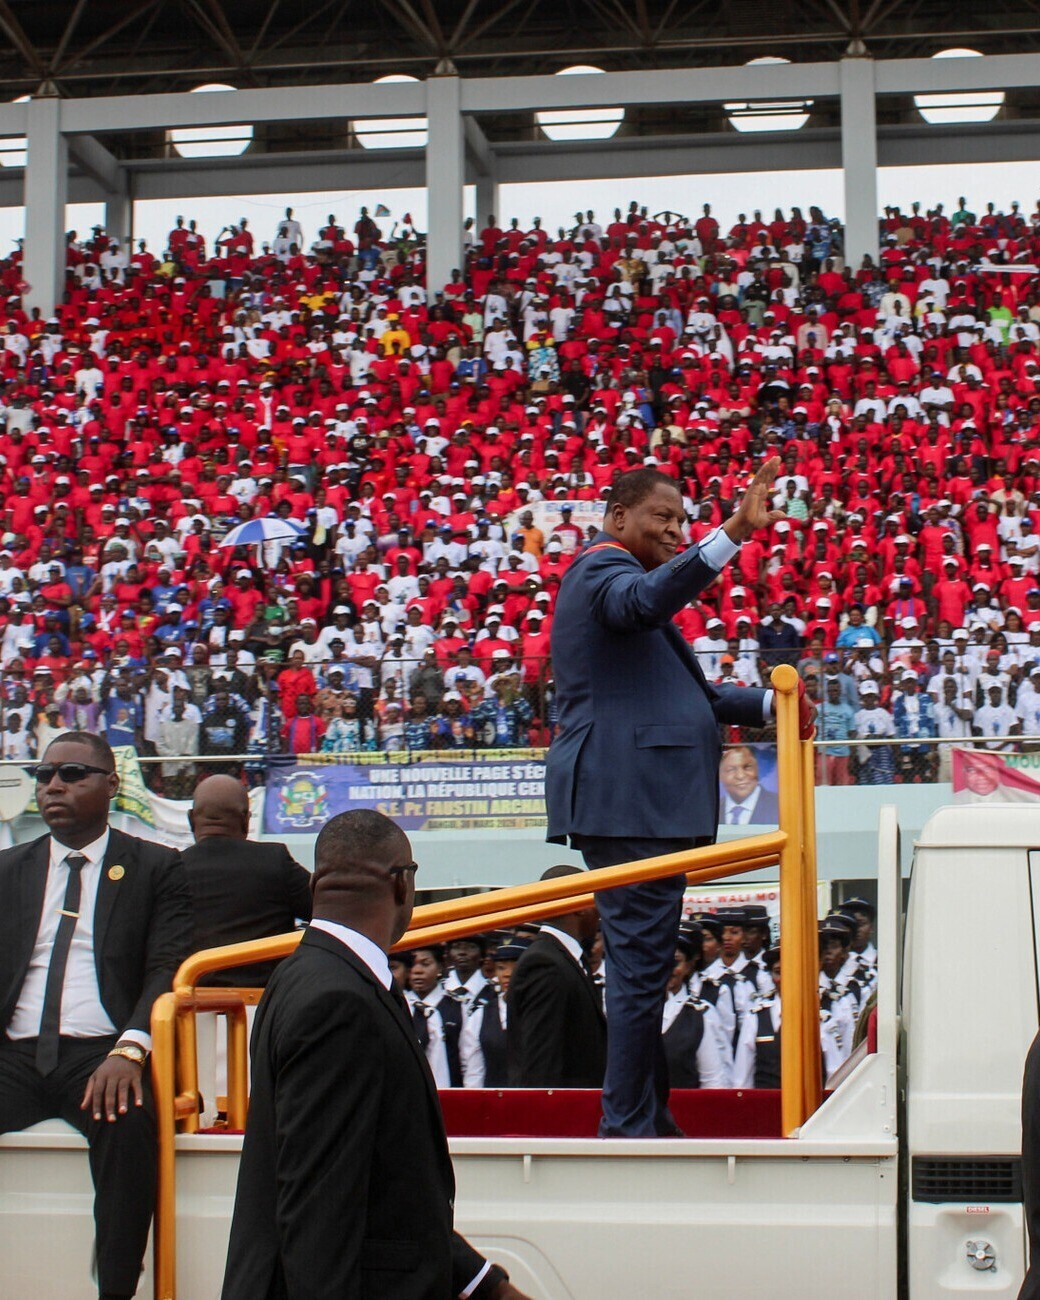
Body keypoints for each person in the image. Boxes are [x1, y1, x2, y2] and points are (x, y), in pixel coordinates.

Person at [545, 460, 814, 1137]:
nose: (673, 529)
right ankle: (628, 1125)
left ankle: (646, 1118)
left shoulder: (632, 594)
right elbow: (644, 602)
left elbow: (695, 698)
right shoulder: (599, 572)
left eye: (680, 521)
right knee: (638, 968)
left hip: (644, 801)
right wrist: (730, 533)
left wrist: (774, 703)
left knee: (642, 965)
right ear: (617, 519)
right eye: (661, 517)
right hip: (630, 798)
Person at [221, 809, 526, 1300]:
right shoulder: (339, 1001)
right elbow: (320, 1210)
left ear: (317, 882)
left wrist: (480, 1284)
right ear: (402, 884)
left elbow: (390, 1187)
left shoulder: (306, 976)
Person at [0, 731, 192, 1300]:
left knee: (131, 1124)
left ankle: (116, 1290)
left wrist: (130, 1051)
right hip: (13, 1052)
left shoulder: (158, 868)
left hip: (101, 1054)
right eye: (43, 774)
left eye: (71, 774)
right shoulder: (8, 869)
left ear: (111, 784)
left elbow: (166, 968)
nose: (52, 785)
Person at [181, 774, 312, 986]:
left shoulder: (172, 869)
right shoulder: (274, 861)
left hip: (190, 1005)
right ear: (245, 820)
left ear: (190, 819)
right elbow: (329, 912)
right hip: (266, 1006)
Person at [507, 865, 606, 1088]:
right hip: (559, 1114)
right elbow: (541, 1059)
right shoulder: (546, 964)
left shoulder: (567, 959)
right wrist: (548, 1118)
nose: (600, 911)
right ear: (579, 907)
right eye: (594, 900)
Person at [718, 745, 780, 825]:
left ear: (757, 770)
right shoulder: (711, 811)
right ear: (720, 776)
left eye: (747, 767)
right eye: (731, 770)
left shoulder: (779, 805)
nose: (740, 776)